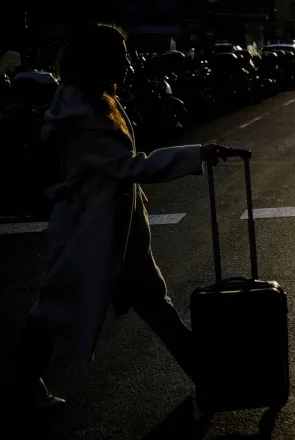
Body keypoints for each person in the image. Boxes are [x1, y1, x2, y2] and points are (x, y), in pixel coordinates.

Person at [3, 23, 241, 409]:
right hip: (90, 231)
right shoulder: (83, 115)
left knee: (147, 304)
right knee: (56, 308)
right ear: (99, 62)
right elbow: (129, 166)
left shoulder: (95, 102)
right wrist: (196, 153)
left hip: (113, 229)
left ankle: (209, 379)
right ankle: (21, 387)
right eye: (121, 57)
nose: (128, 64)